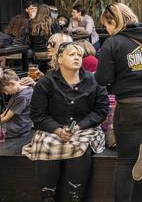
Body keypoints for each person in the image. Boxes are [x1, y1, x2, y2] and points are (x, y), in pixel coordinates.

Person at [95, 3, 142, 202]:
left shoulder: (112, 44)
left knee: (125, 162)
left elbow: (102, 79)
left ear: (115, 21)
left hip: (130, 106)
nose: (107, 30)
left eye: (107, 26)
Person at [22, 42, 109, 202]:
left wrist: (79, 126)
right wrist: (57, 130)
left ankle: (75, 197)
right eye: (71, 54)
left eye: (79, 55)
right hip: (52, 128)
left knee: (79, 148)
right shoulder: (46, 82)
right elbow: (38, 114)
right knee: (46, 144)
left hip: (84, 127)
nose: (77, 57)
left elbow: (101, 111)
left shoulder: (94, 81)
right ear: (60, 59)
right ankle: (48, 197)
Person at [0, 69, 33, 139]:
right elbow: (6, 111)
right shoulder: (17, 91)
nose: (6, 93)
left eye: (5, 90)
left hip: (17, 129)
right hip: (12, 125)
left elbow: (6, 118)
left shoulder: (22, 96)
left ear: (11, 84)